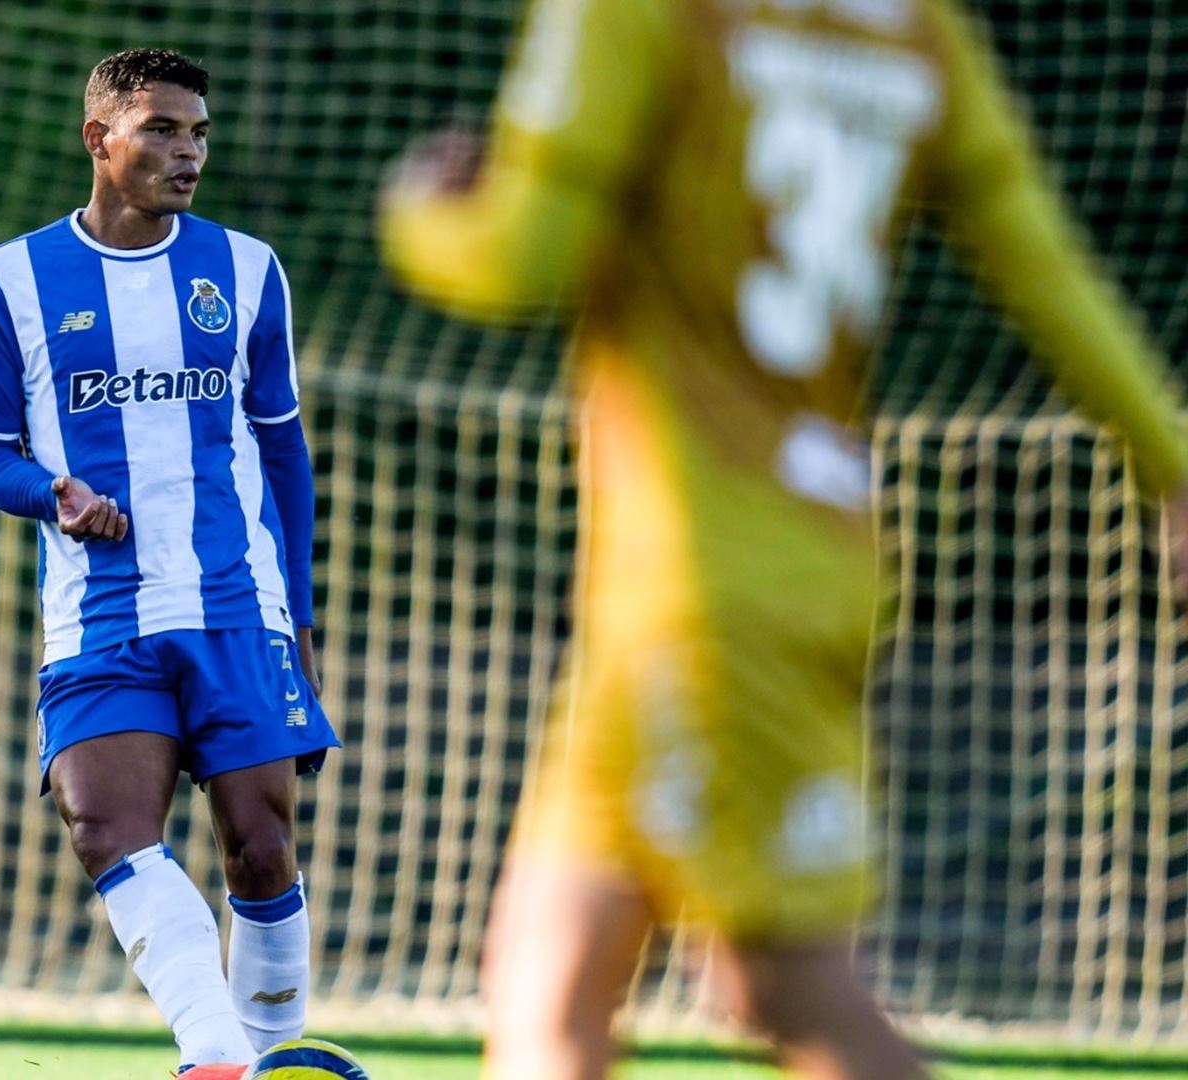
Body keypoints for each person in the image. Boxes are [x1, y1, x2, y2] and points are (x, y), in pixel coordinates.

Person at [378, 2, 1188, 1077]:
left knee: (777, 985)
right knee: (547, 987)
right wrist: (1173, 466)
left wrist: (419, 213)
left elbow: (519, 257)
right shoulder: (918, 31)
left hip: (697, 585)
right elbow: (1049, 270)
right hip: (797, 557)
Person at [0, 48, 338, 1077]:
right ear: (99, 139)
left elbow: (284, 451)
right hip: (100, 615)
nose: (188, 152)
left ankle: (267, 1057)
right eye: (162, 129)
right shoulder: (8, 280)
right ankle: (218, 1059)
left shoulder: (246, 270)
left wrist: (298, 614)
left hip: (234, 604)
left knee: (262, 846)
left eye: (198, 132)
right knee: (103, 828)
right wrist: (56, 495)